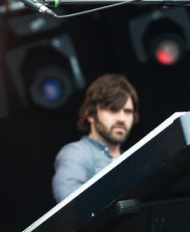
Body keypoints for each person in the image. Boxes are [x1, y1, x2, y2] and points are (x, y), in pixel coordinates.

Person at [52, 73, 139, 203]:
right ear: (91, 115)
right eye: (113, 110)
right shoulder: (77, 152)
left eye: (127, 111)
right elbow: (71, 205)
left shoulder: (133, 160)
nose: (122, 119)